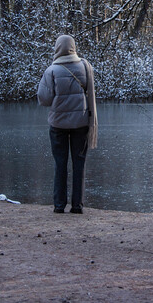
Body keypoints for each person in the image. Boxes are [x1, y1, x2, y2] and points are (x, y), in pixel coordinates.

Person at [37, 34, 98, 214]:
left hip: (58, 125)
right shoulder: (85, 67)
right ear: (73, 47)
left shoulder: (52, 71)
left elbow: (44, 99)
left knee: (60, 163)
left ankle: (59, 205)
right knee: (79, 163)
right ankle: (77, 205)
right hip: (81, 122)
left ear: (57, 48)